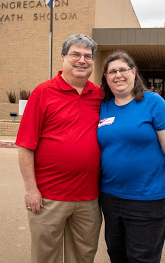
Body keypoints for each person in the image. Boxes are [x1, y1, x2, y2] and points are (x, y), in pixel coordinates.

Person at [97, 50, 165, 263]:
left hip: (148, 197)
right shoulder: (103, 106)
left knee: (142, 258)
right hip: (111, 197)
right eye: (112, 71)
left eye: (123, 69)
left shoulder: (153, 102)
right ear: (105, 77)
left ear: (134, 72)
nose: (118, 75)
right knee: (116, 253)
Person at [16, 34, 102, 263]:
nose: (82, 60)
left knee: (83, 256)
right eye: (75, 54)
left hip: (89, 198)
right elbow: (25, 146)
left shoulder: (100, 96)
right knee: (46, 257)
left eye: (87, 56)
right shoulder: (43, 93)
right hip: (49, 197)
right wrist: (30, 190)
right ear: (63, 58)